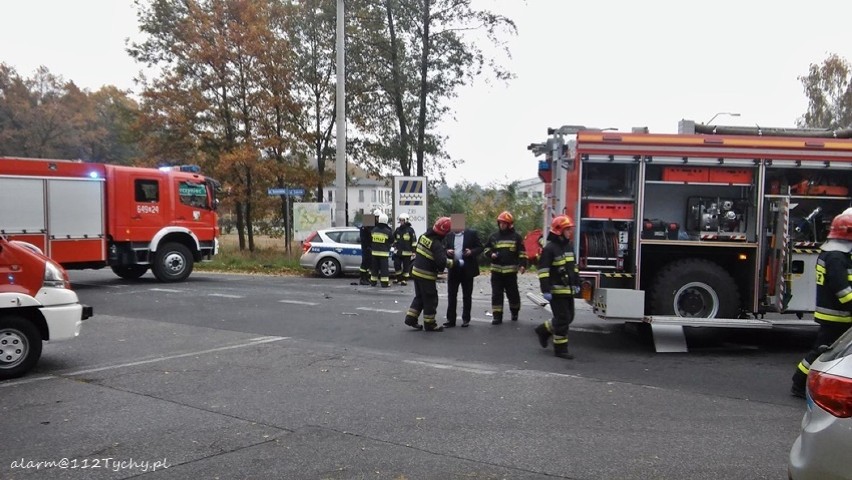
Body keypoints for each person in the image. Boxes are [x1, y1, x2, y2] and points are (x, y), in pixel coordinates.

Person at [791, 210, 852, 398]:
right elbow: (842, 290)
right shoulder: (836, 257)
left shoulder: (834, 254)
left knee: (825, 351)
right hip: (837, 315)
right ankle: (799, 383)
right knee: (822, 352)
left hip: (835, 314)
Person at [534, 215, 580, 359]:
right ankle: (560, 349)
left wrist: (577, 282)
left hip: (569, 290)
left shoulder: (568, 246)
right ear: (559, 230)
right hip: (556, 291)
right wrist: (546, 290)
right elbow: (543, 272)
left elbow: (574, 268)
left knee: (569, 317)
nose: (570, 232)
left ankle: (543, 330)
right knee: (562, 319)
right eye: (567, 229)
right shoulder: (549, 249)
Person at [404, 217, 453, 332]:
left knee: (420, 297)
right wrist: (454, 263)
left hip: (416, 271)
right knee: (431, 299)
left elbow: (429, 252)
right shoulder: (437, 244)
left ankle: (410, 318)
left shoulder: (424, 236)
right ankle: (430, 324)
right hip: (426, 275)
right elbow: (441, 263)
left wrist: (443, 252)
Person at [483, 211, 528, 324]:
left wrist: (522, 265)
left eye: (504, 223)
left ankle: (514, 311)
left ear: (510, 224)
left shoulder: (516, 237)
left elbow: (522, 253)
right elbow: (486, 249)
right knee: (496, 294)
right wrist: (490, 254)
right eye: (501, 223)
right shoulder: (493, 237)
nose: (502, 225)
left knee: (513, 294)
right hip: (496, 271)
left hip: (510, 272)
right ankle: (497, 316)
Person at [442, 219, 483, 328]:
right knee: (451, 295)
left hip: (467, 269)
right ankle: (451, 319)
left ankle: (466, 319)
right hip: (454, 268)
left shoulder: (471, 234)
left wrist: (471, 252)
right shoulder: (449, 235)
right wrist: (447, 251)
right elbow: (444, 247)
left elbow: (480, 247)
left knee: (467, 295)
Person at [370, 212, 393, 287]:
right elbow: (391, 240)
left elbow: (370, 240)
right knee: (384, 269)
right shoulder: (388, 231)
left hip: (374, 253)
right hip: (383, 253)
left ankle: (373, 282)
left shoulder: (374, 230)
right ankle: (384, 283)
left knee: (374, 269)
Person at [392, 212, 417, 285]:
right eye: (400, 220)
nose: (401, 222)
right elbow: (394, 239)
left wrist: (413, 251)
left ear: (406, 220)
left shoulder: (410, 230)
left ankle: (404, 280)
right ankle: (398, 278)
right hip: (398, 252)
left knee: (406, 267)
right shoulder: (397, 230)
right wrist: (394, 245)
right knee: (396, 265)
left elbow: (414, 241)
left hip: (407, 252)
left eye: (402, 220)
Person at [358, 215, 375, 286]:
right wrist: (368, 246)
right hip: (366, 249)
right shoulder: (364, 229)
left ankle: (366, 279)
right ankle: (362, 279)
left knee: (368, 264)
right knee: (364, 264)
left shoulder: (366, 228)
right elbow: (365, 239)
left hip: (368, 248)